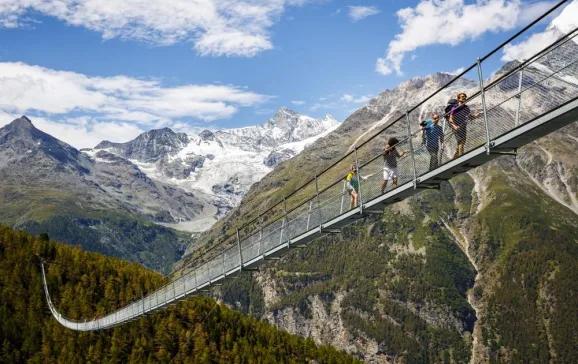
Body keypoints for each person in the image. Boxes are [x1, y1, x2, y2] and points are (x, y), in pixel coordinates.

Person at [449, 92, 481, 158]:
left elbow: (470, 117)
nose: (464, 97)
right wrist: (454, 126)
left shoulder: (466, 108)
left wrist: (476, 115)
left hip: (463, 126)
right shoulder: (455, 107)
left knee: (463, 142)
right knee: (461, 141)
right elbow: (450, 119)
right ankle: (462, 157)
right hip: (456, 126)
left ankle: (454, 158)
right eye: (462, 96)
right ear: (458, 98)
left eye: (465, 96)